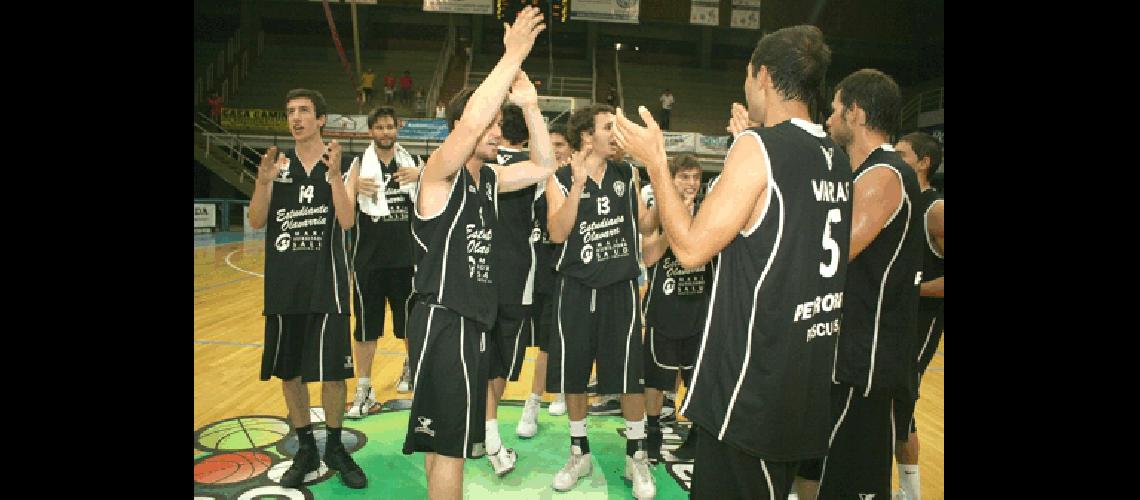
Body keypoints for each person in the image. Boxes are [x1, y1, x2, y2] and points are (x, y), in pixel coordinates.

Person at [613, 24, 851, 499]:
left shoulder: (759, 149)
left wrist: (656, 162)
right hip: (804, 375)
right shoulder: (834, 156)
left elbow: (691, 249)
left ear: (761, 75)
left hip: (751, 385)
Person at [401, 6, 552, 498]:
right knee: (449, 454)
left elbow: (544, 165)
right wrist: (511, 57)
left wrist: (529, 106)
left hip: (469, 325)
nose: (495, 133)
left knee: (444, 448)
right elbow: (467, 127)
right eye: (489, 125)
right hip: (445, 322)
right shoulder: (439, 176)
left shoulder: (489, 180)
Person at [796, 68, 924, 500]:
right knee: (814, 465)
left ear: (856, 112)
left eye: (835, 109)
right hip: (842, 354)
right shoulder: (863, 173)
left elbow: (827, 256)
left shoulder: (885, 174)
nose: (829, 119)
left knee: (851, 483)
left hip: (864, 363)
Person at [248, 88, 367, 490]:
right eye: (290, 112)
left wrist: (334, 177)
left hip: (328, 284)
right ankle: (305, 448)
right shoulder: (276, 166)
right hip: (285, 287)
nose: (296, 117)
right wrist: (263, 184)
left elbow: (348, 221)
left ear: (321, 120)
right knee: (290, 372)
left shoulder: (344, 164)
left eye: (304, 111)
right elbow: (256, 220)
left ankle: (334, 445)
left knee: (334, 374)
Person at [544, 103, 659, 498]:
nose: (619, 131)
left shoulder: (628, 173)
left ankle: (637, 456)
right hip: (575, 290)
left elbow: (646, 225)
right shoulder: (558, 179)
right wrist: (577, 185)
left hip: (620, 290)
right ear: (588, 137)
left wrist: (662, 190)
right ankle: (580, 452)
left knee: (629, 376)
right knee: (574, 375)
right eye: (610, 126)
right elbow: (557, 234)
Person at [345, 105, 423, 419]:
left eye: (390, 126)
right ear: (370, 132)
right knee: (366, 328)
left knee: (410, 327)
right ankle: (363, 387)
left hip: (406, 262)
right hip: (369, 262)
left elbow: (435, 198)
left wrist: (422, 176)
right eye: (379, 127)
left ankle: (413, 368)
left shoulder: (413, 163)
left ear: (397, 128)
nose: (385, 132)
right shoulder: (357, 166)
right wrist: (351, 187)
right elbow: (344, 214)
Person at [638, 154, 711, 463]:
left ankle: (696, 433)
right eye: (684, 177)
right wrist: (677, 221)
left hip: (701, 310)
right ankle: (652, 431)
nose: (691, 183)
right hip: (664, 309)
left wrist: (694, 216)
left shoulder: (711, 211)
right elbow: (650, 256)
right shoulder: (658, 210)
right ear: (671, 180)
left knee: (699, 379)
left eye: (695, 177)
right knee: (656, 378)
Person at [889, 132, 944, 500]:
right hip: (894, 322)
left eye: (902, 154)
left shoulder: (936, 210)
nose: (895, 160)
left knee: (901, 411)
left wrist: (905, 287)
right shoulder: (901, 203)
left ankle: (911, 493)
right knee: (887, 410)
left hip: (921, 323)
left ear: (923, 161)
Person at [521, 126, 573, 423]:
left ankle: (538, 399)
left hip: (560, 270)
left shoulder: (572, 183)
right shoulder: (526, 181)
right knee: (536, 340)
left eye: (560, 145)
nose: (555, 151)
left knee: (549, 342)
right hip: (531, 271)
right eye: (549, 146)